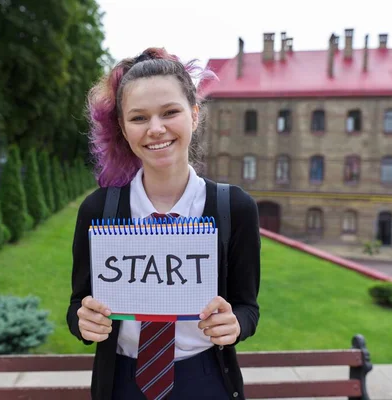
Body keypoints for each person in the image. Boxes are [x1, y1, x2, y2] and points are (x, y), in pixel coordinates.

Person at [66, 47, 261, 400]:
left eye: (170, 112)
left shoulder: (234, 208)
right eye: (139, 118)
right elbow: (78, 304)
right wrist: (84, 322)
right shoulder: (99, 210)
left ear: (194, 115)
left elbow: (248, 308)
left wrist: (235, 324)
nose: (156, 129)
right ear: (123, 129)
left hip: (204, 377)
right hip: (123, 379)